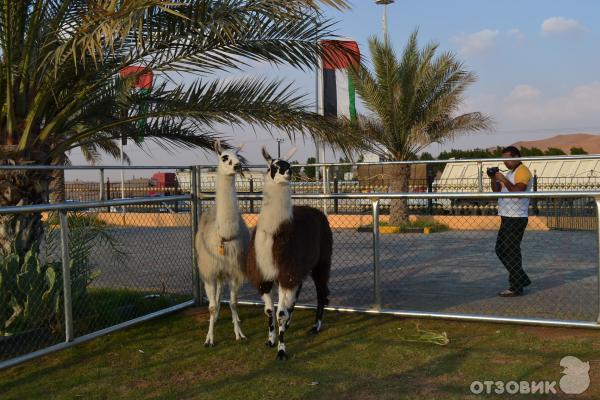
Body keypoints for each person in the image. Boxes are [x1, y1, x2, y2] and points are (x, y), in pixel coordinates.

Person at [490, 146, 533, 297]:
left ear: (516, 157)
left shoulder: (523, 171)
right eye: (503, 160)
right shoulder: (510, 173)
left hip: (516, 217)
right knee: (501, 249)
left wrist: (504, 180)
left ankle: (516, 286)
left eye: (508, 159)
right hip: (506, 216)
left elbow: (519, 191)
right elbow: (497, 191)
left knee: (511, 250)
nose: (505, 162)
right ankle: (521, 278)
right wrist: (494, 179)